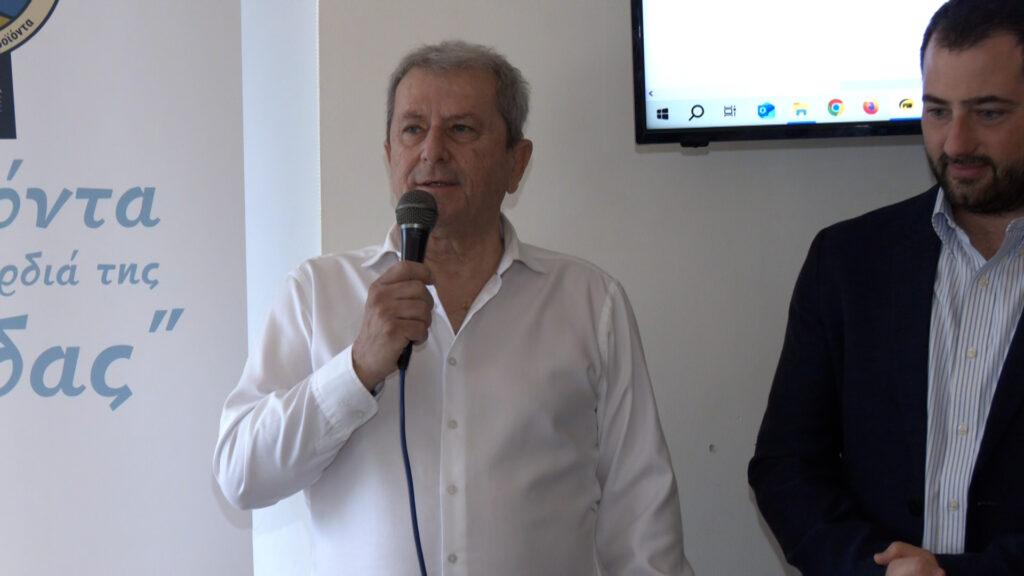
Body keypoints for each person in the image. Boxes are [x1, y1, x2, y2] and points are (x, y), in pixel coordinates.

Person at [213, 40, 692, 575]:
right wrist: (356, 369)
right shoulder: (316, 292)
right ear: (390, 155)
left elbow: (642, 518)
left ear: (516, 163)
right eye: (413, 129)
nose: (432, 151)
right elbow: (241, 475)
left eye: (462, 129)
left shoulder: (590, 301)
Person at [748, 1, 1024, 575]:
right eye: (937, 110)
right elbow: (787, 467)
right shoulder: (847, 260)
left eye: (989, 112)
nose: (956, 142)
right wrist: (874, 570)